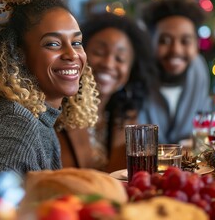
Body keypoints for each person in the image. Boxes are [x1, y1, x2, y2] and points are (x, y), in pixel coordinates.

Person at [0, 0, 98, 176]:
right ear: (19, 55)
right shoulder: (14, 124)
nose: (72, 54)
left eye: (76, 42)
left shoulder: (38, 118)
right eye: (53, 44)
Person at [57, 12, 157, 173]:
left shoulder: (125, 117)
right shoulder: (56, 113)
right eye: (99, 53)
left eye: (120, 59)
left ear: (131, 70)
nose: (109, 63)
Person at [138, 0, 212, 145]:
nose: (176, 50)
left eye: (185, 41)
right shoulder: (137, 77)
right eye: (164, 41)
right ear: (151, 42)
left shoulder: (199, 70)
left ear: (197, 45)